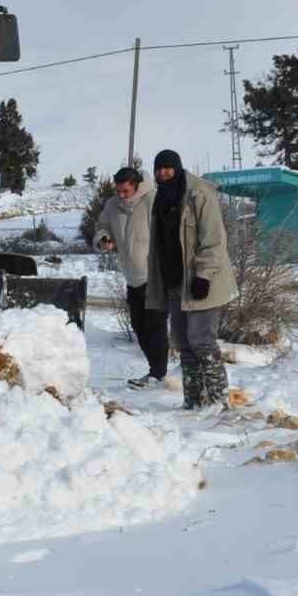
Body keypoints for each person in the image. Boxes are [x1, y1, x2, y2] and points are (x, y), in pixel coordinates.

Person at [145, 149, 238, 409]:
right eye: (158, 169)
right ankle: (194, 401)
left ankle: (218, 402)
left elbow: (214, 240)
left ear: (177, 167)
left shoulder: (199, 194)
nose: (163, 173)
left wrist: (203, 274)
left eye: (167, 168)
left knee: (202, 342)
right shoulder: (161, 199)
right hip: (175, 283)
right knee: (184, 344)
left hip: (201, 282)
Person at [93, 166, 167, 389]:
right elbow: (102, 226)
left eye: (126, 191)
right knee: (138, 325)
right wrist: (103, 239)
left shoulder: (152, 200)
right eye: (118, 191)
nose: (121, 195)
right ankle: (156, 371)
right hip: (131, 276)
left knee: (155, 327)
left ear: (137, 187)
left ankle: (158, 374)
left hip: (154, 275)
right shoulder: (112, 206)